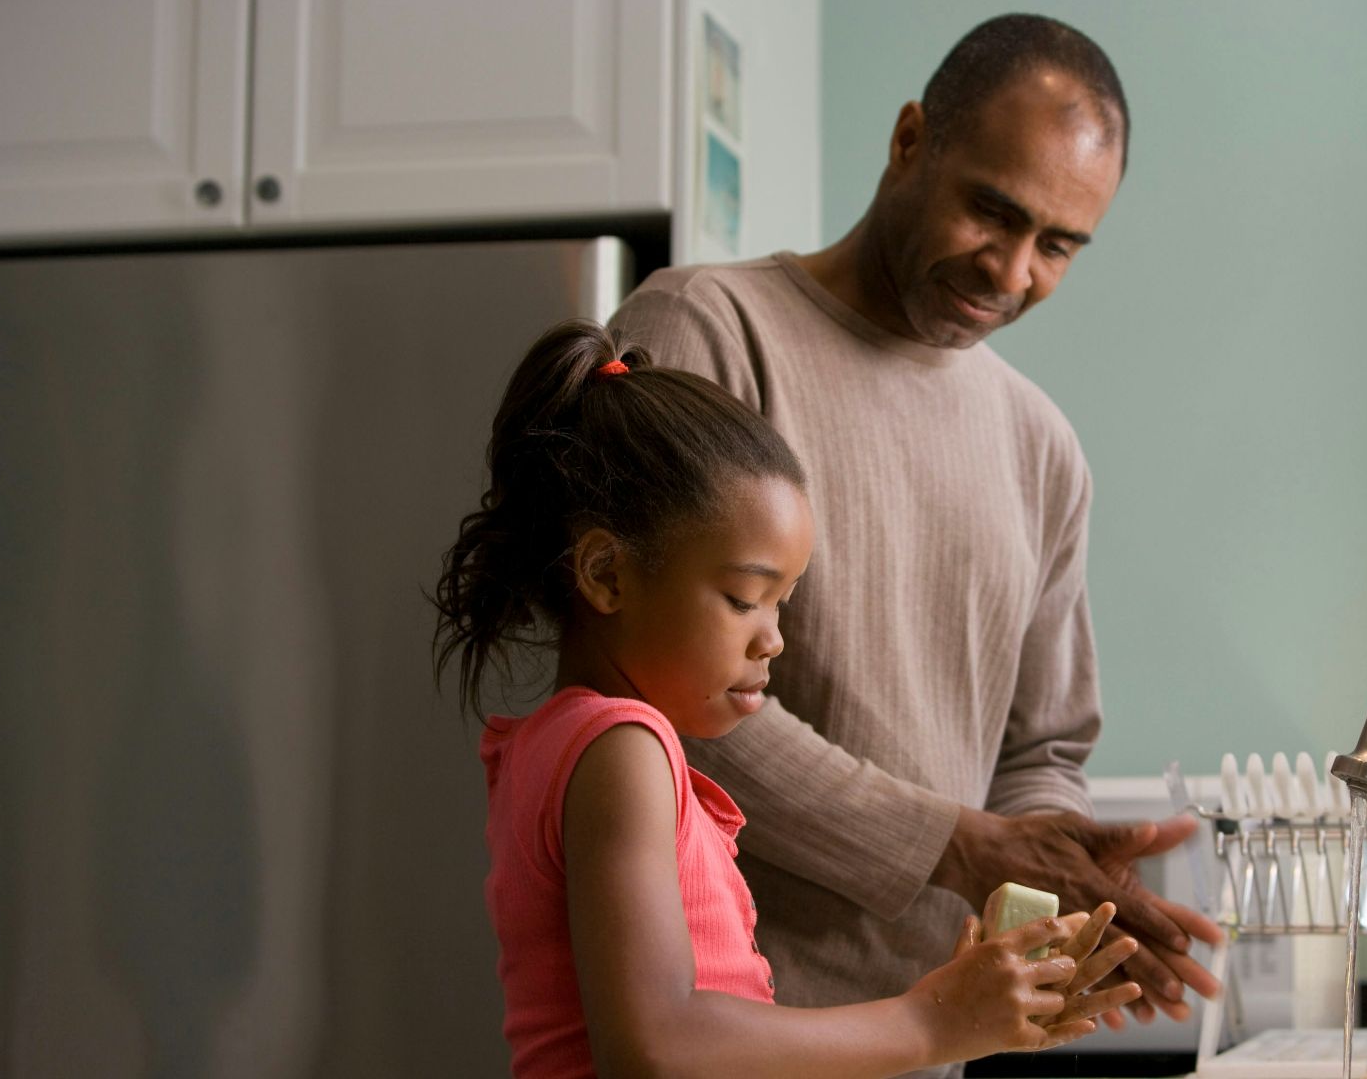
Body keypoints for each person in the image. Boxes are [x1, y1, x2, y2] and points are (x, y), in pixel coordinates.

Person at [606, 12, 1223, 1046]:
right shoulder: (705, 332)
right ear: (908, 143)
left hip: (929, 1046)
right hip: (716, 1039)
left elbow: (1041, 745)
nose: (1012, 271)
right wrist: (957, 847)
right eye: (993, 210)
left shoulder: (1041, 448)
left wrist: (1061, 866)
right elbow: (652, 684)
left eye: (1059, 245)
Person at [433, 320, 1142, 1077]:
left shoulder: (569, 743)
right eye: (745, 598)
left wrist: (963, 1011)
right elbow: (658, 1045)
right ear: (607, 575)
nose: (772, 639)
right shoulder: (620, 750)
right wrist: (930, 1021)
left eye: (784, 604)